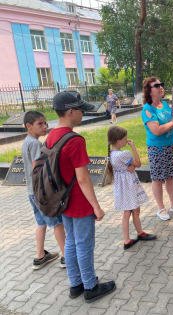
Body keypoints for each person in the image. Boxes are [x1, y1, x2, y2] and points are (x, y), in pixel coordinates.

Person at [46, 91, 115, 302]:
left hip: (62, 200)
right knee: (84, 244)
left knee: (71, 242)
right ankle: (90, 287)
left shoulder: (51, 136)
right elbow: (84, 178)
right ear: (69, 111)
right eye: (80, 109)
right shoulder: (75, 140)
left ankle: (75, 284)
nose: (83, 113)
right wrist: (96, 206)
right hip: (78, 200)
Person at [22, 111, 66, 270]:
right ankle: (66, 256)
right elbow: (37, 167)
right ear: (29, 126)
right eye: (40, 124)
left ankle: (40, 255)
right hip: (42, 193)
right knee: (57, 223)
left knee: (41, 223)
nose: (45, 126)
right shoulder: (35, 144)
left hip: (31, 192)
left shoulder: (27, 141)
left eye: (45, 123)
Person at [141, 77, 173, 221]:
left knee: (171, 176)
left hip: (171, 147)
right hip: (157, 149)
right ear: (149, 91)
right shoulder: (147, 109)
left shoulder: (165, 104)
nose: (161, 87)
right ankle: (161, 208)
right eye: (156, 85)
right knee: (157, 179)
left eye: (162, 84)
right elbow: (157, 130)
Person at [107, 126, 157, 250]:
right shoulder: (124, 154)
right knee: (130, 211)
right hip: (129, 186)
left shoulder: (112, 154)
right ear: (118, 140)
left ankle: (137, 234)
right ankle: (128, 239)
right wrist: (133, 146)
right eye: (125, 139)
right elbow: (138, 163)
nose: (127, 140)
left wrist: (130, 167)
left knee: (133, 210)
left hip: (123, 187)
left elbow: (130, 166)